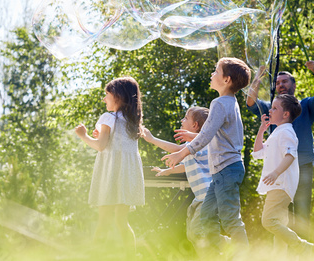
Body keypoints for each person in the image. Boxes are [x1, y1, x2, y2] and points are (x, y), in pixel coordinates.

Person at [162, 57, 251, 255]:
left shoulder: (219, 103)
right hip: (223, 171)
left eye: (215, 71)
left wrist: (181, 154)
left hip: (227, 170)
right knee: (207, 217)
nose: (212, 74)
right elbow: (217, 136)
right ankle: (216, 255)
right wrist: (193, 137)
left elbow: (205, 136)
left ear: (227, 79)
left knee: (229, 218)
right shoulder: (230, 103)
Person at [246, 61, 314, 238]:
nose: (280, 85)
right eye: (277, 82)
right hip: (279, 169)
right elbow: (251, 102)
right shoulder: (272, 109)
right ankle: (285, 252)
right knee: (279, 215)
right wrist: (258, 77)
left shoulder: (304, 106)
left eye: (284, 81)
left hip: (302, 165)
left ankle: (302, 250)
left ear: (293, 85)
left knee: (301, 210)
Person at [75, 77, 145, 257]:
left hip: (111, 174)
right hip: (126, 176)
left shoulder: (108, 117)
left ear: (118, 96)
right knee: (122, 222)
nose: (104, 99)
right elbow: (115, 142)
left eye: (107, 95)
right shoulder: (133, 122)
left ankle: (94, 257)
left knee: (103, 220)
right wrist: (101, 136)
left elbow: (100, 146)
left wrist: (83, 135)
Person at [143, 107, 213, 251]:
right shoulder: (195, 148)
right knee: (193, 234)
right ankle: (219, 250)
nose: (182, 120)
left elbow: (177, 150)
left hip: (208, 197)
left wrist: (152, 139)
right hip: (200, 197)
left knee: (197, 232)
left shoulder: (200, 144)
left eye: (186, 118)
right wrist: (167, 172)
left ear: (195, 126)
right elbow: (187, 165)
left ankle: (228, 245)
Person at [253, 94, 314, 255]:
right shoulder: (277, 133)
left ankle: (301, 246)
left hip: (280, 185)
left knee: (268, 221)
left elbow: (290, 155)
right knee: (278, 224)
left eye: (274, 108)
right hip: (277, 185)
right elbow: (258, 152)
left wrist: (275, 173)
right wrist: (261, 130)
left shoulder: (286, 132)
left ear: (286, 114)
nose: (270, 110)